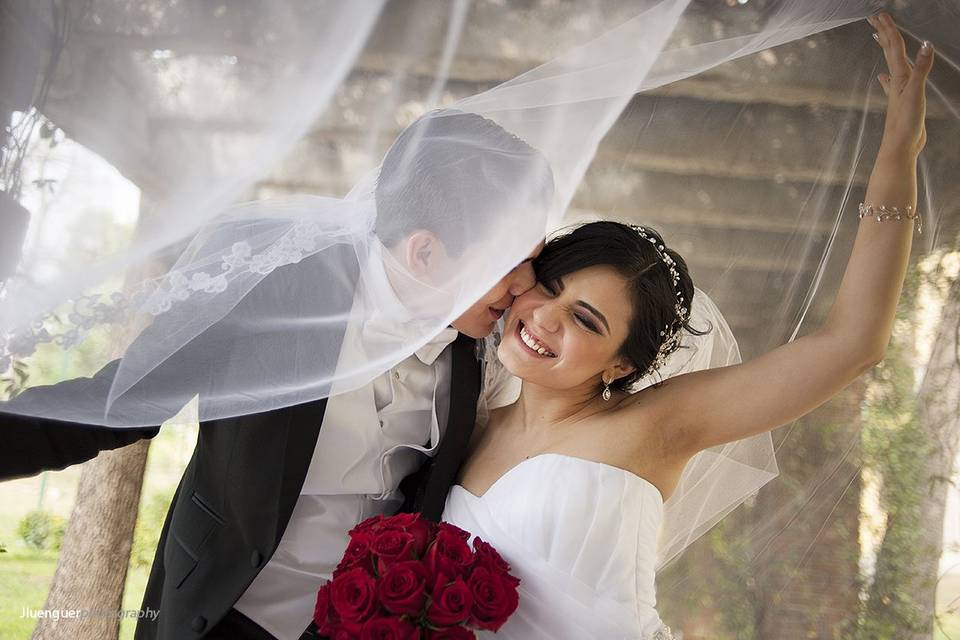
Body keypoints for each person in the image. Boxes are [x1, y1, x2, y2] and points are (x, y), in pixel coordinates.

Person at [441, 13, 931, 639]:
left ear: (622, 363)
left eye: (585, 320)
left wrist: (899, 151)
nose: (544, 318)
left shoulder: (657, 424)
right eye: (552, 288)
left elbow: (852, 343)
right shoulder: (468, 416)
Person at [0, 111, 553, 640]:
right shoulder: (272, 289)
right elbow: (118, 401)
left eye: (534, 259)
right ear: (425, 251)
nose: (526, 284)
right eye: (510, 262)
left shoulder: (484, 348)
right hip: (220, 611)